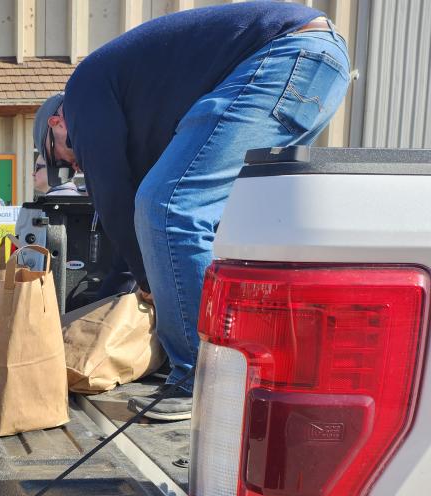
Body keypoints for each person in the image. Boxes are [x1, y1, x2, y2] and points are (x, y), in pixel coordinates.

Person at [34, 2, 350, 421]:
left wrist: (146, 279)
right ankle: (254, 360)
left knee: (169, 206)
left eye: (59, 157)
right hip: (313, 65)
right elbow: (136, 223)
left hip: (287, 56)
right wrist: (134, 282)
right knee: (197, 216)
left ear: (58, 121)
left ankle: (205, 379)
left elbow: (112, 195)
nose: (72, 166)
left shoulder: (81, 93)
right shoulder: (136, 104)